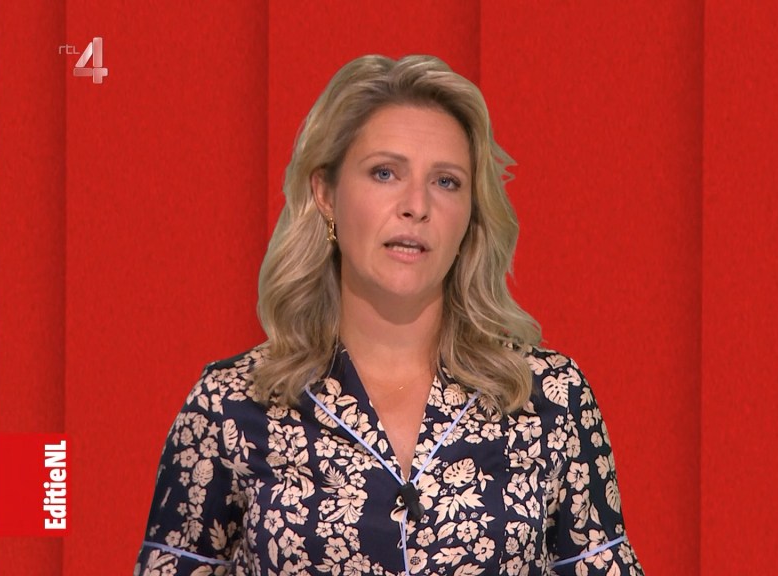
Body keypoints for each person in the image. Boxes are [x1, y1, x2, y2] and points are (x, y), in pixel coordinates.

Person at [134, 54, 644, 576]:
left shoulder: (550, 399)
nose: (416, 205)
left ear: (471, 213)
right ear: (325, 194)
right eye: (385, 173)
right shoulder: (230, 405)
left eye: (446, 182)